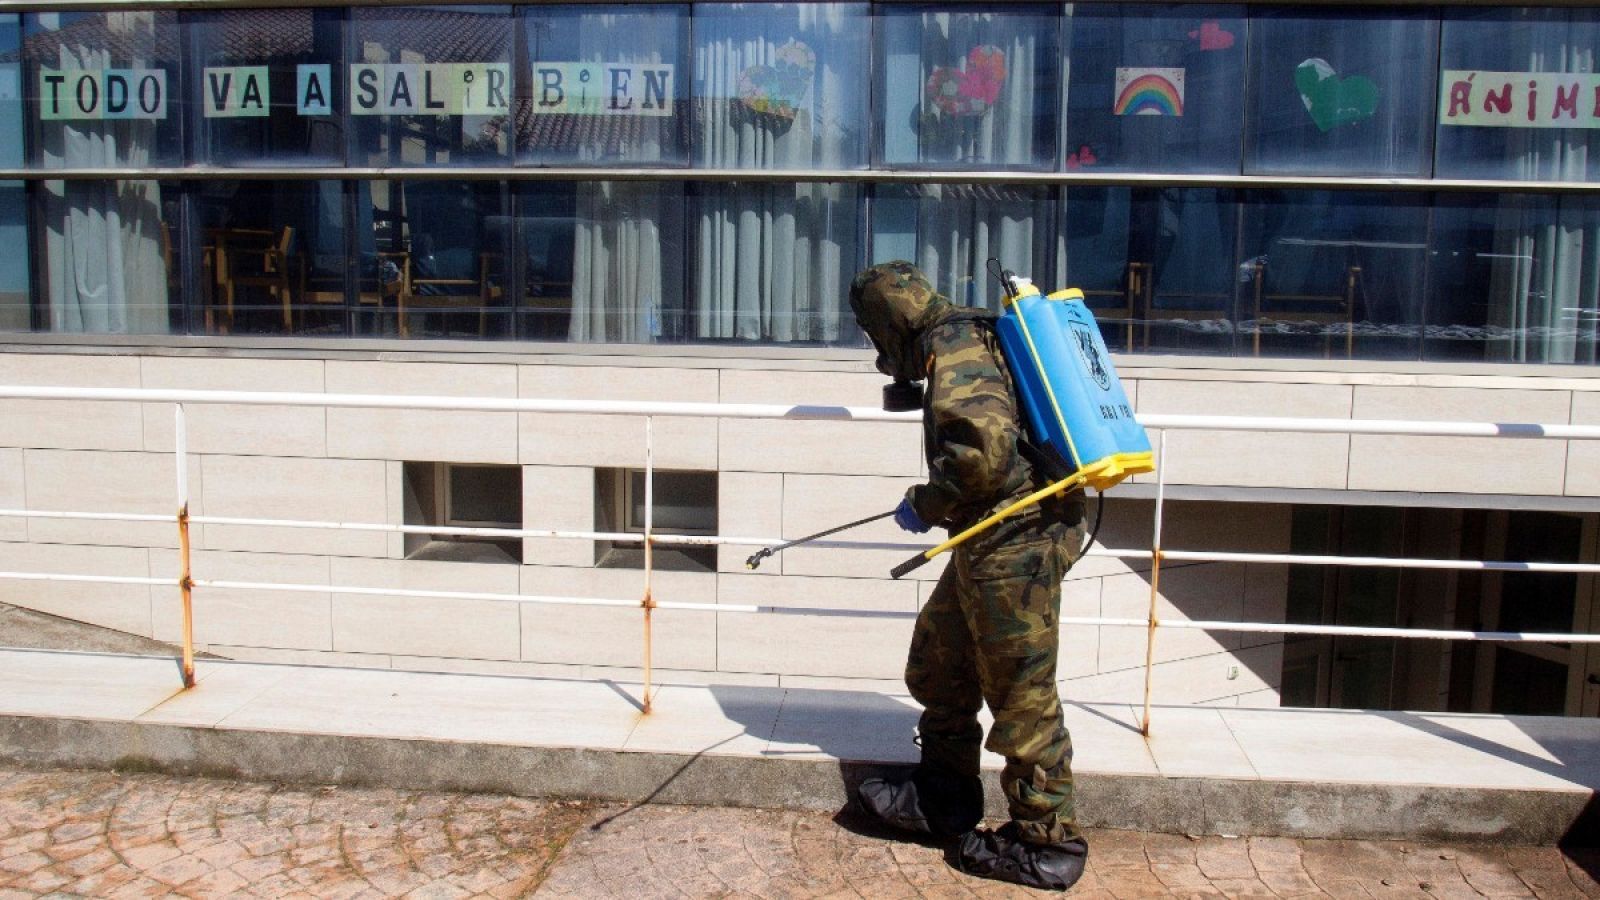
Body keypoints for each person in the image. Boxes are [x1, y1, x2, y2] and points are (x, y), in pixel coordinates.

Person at [848, 261, 1090, 892]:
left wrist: (927, 501)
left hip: (1016, 545)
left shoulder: (952, 346)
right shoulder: (970, 331)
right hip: (988, 539)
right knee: (939, 661)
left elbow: (982, 457)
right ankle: (943, 797)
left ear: (890, 323)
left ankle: (1048, 842)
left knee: (1022, 696)